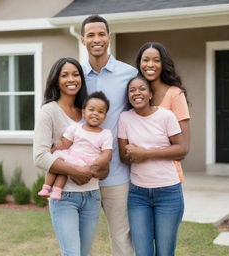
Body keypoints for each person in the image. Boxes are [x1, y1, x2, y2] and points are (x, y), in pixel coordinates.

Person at [33, 58, 109, 256]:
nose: (71, 79)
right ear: (56, 80)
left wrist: (98, 169)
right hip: (64, 196)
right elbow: (40, 156)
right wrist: (77, 170)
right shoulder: (48, 112)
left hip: (92, 195)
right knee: (72, 253)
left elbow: (101, 155)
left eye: (75, 74)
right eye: (64, 75)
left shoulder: (89, 111)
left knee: (84, 253)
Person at [81, 14, 138, 256]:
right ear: (83, 40)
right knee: (81, 242)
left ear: (109, 37)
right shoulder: (74, 77)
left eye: (101, 34)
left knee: (122, 240)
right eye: (91, 35)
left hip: (117, 174)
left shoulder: (130, 74)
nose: (97, 39)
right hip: (81, 175)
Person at [118, 76, 186, 256]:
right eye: (132, 90)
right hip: (138, 196)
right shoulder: (125, 118)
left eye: (141, 89)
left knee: (164, 252)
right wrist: (131, 153)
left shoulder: (166, 115)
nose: (137, 93)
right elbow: (124, 156)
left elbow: (180, 150)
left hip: (168, 193)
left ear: (150, 94)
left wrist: (145, 153)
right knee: (143, 253)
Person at [38, 91, 113, 201]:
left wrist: (96, 163)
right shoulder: (75, 128)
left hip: (87, 163)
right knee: (59, 165)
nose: (95, 113)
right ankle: (46, 188)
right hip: (72, 156)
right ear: (83, 112)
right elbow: (65, 144)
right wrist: (54, 149)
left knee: (64, 169)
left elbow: (107, 154)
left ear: (105, 117)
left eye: (100, 112)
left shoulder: (105, 134)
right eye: (91, 110)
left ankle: (57, 191)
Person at [135, 42, 190, 182]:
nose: (150, 65)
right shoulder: (135, 96)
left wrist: (145, 154)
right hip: (138, 181)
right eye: (145, 60)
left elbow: (183, 149)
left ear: (164, 64)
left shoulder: (175, 94)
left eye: (156, 60)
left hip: (167, 180)